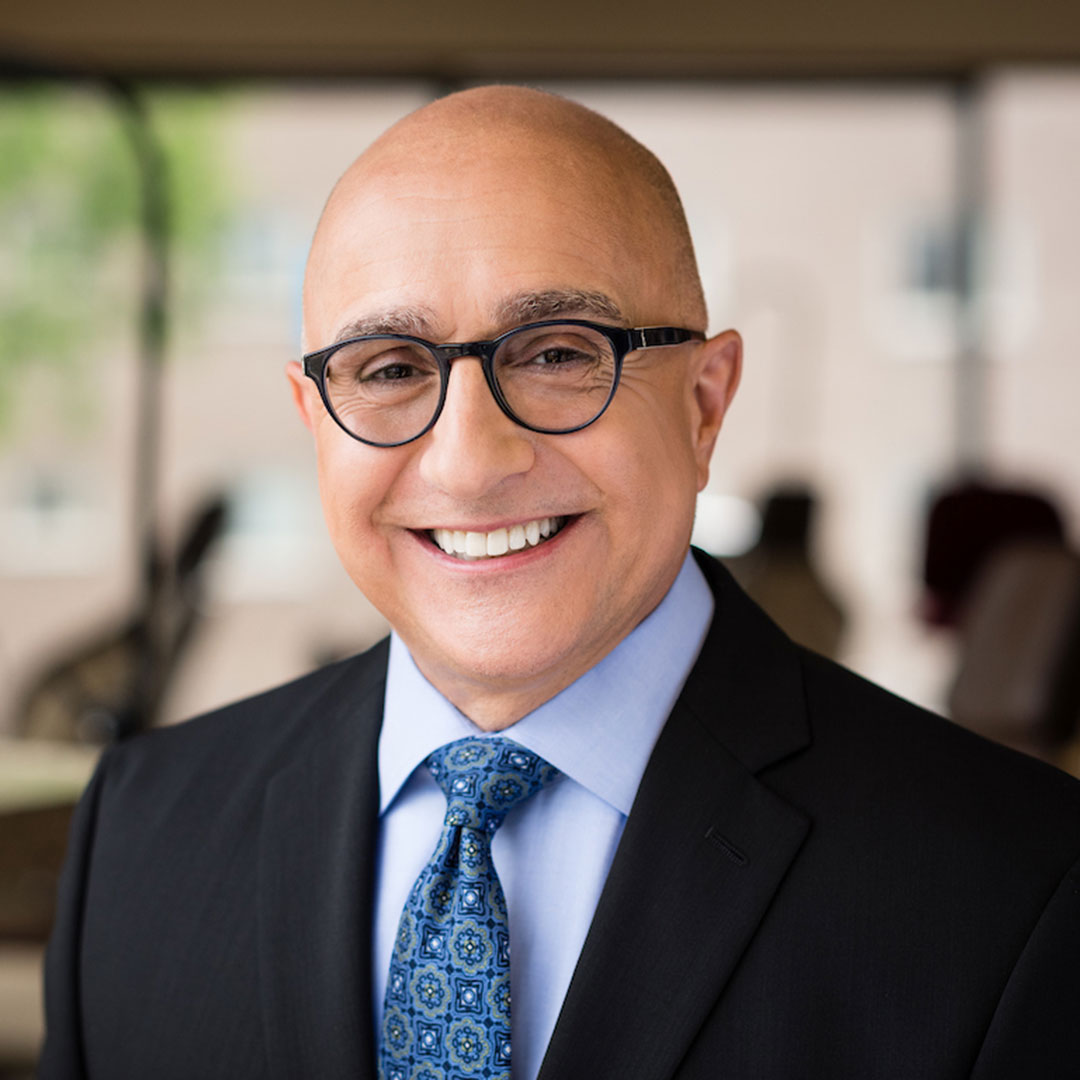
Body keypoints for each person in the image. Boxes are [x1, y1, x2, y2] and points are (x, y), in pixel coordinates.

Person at [40, 87, 1080, 1080]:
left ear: (705, 406)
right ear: (315, 420)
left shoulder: (1018, 886)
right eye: (391, 369)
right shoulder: (141, 834)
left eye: (557, 353)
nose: (467, 462)